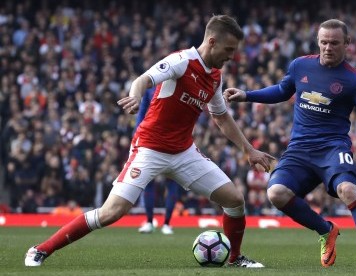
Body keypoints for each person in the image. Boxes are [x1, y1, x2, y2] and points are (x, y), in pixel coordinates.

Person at [25, 15, 275, 268]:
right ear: (212, 42)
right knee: (112, 212)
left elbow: (221, 117)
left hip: (184, 152)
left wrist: (249, 150)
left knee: (234, 200)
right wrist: (134, 97)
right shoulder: (181, 61)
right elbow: (142, 80)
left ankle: (235, 259)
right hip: (150, 148)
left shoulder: (215, 76)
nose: (232, 56)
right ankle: (40, 249)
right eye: (228, 49)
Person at [223, 18, 356, 269]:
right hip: (299, 150)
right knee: (275, 193)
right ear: (317, 42)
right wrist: (248, 95)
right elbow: (282, 91)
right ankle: (326, 230)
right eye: (323, 42)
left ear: (347, 44)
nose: (328, 47)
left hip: (333, 149)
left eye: (334, 43)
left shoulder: (355, 80)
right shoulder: (300, 65)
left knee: (349, 190)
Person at [135, 88, 179, 235]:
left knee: (172, 181)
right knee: (149, 181)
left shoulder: (179, 84)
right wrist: (138, 136)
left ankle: (166, 222)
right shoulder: (150, 88)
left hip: (173, 139)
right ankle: (150, 221)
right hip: (152, 139)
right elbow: (142, 113)